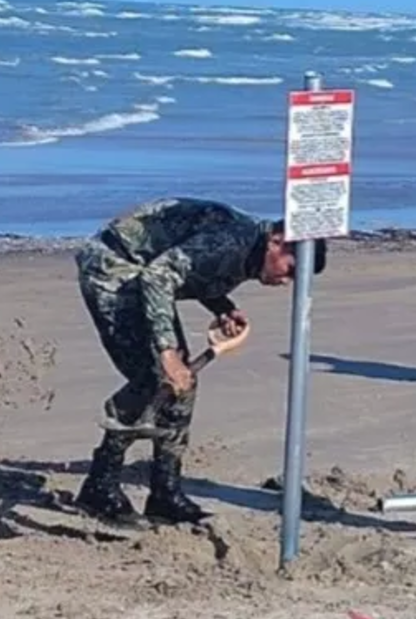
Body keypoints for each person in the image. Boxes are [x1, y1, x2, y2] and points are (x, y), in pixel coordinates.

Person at [72, 197, 328, 527]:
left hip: (140, 272)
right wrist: (167, 352)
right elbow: (159, 276)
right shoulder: (233, 240)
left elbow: (193, 267)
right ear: (277, 242)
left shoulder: (248, 249)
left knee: (182, 385)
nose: (285, 281)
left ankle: (165, 492)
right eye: (290, 270)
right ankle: (99, 486)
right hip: (114, 267)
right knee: (154, 379)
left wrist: (222, 307)